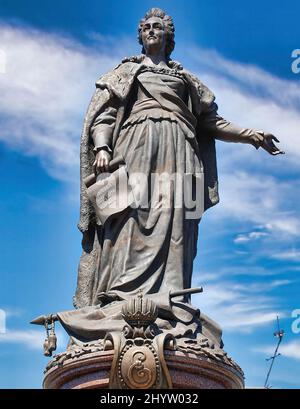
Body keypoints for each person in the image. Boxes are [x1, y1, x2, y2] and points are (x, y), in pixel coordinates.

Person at [58, 8, 283, 346]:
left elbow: (212, 122)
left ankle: (172, 300)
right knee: (128, 222)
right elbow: (103, 116)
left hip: (180, 154)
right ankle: (119, 300)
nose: (151, 30)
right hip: (134, 150)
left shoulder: (186, 81)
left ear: (168, 36)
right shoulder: (125, 73)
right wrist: (103, 148)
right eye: (145, 27)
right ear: (140, 35)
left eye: (157, 27)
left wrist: (252, 134)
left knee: (178, 224)